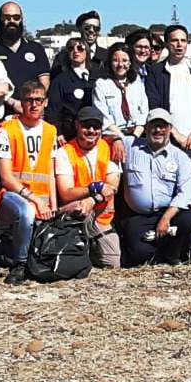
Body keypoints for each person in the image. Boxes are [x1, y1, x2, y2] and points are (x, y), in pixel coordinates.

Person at [0, 80, 59, 284]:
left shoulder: (50, 131)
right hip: (14, 195)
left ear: (45, 102)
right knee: (26, 213)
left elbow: (50, 172)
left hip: (41, 197)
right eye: (29, 100)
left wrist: (53, 206)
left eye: (39, 100)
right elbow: (6, 176)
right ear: (21, 102)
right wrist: (35, 200)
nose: (34, 105)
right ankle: (18, 264)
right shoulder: (8, 129)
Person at [119, 109, 191, 265]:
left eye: (163, 126)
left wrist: (166, 218)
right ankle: (163, 248)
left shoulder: (180, 157)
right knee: (138, 256)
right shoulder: (129, 146)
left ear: (169, 129)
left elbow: (185, 193)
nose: (158, 130)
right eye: (154, 126)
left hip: (168, 212)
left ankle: (172, 254)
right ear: (146, 128)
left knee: (188, 218)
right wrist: (116, 140)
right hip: (139, 215)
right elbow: (108, 134)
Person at [54, 106, 123, 268]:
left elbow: (113, 186)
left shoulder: (108, 147)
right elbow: (66, 193)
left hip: (101, 215)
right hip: (75, 214)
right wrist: (95, 187)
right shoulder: (65, 152)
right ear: (77, 125)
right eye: (86, 126)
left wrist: (93, 199)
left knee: (113, 263)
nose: (91, 131)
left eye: (96, 126)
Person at [144, 25, 191, 151]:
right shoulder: (157, 71)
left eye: (183, 40)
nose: (179, 45)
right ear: (166, 44)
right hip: (169, 141)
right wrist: (176, 134)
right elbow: (155, 106)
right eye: (174, 40)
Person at [0, 1, 51, 97]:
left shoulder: (36, 48)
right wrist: (10, 101)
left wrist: (35, 102)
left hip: (30, 108)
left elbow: (44, 82)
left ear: (21, 19)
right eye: (7, 17)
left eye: (16, 17)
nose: (11, 21)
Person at [93, 42, 147, 150]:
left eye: (125, 60)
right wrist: (122, 138)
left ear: (130, 62)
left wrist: (134, 136)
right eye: (115, 60)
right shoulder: (101, 84)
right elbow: (104, 117)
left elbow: (144, 111)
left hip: (136, 136)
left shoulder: (136, 82)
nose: (120, 64)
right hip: (112, 137)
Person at [46, 37, 95, 132]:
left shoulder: (98, 77)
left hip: (94, 131)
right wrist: (58, 133)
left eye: (80, 48)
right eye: (71, 48)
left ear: (87, 52)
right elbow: (53, 110)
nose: (76, 51)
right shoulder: (60, 80)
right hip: (70, 132)